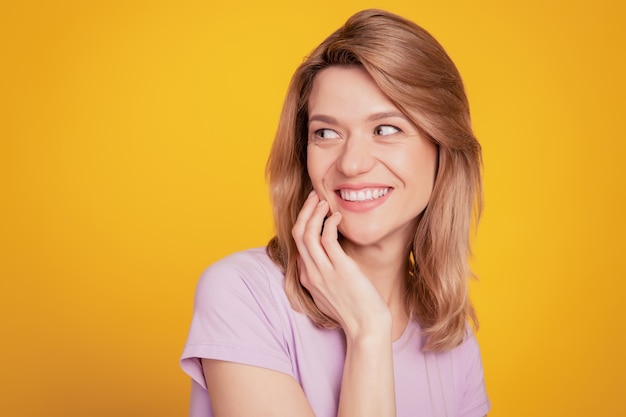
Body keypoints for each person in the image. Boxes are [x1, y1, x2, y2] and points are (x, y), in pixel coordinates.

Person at [181, 8, 490, 417]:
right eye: (326, 133)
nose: (352, 163)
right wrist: (368, 333)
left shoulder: (452, 341)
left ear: (443, 149)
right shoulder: (243, 296)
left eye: (386, 129)